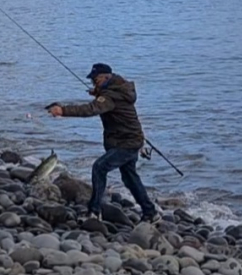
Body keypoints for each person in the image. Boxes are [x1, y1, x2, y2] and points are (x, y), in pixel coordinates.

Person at [47, 62, 161, 223]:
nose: (93, 83)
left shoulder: (110, 96)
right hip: (131, 140)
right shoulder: (118, 90)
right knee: (130, 178)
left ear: (107, 77)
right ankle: (151, 212)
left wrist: (63, 111)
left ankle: (94, 211)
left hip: (126, 143)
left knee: (99, 168)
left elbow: (90, 109)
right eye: (92, 81)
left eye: (96, 80)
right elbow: (106, 100)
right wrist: (98, 91)